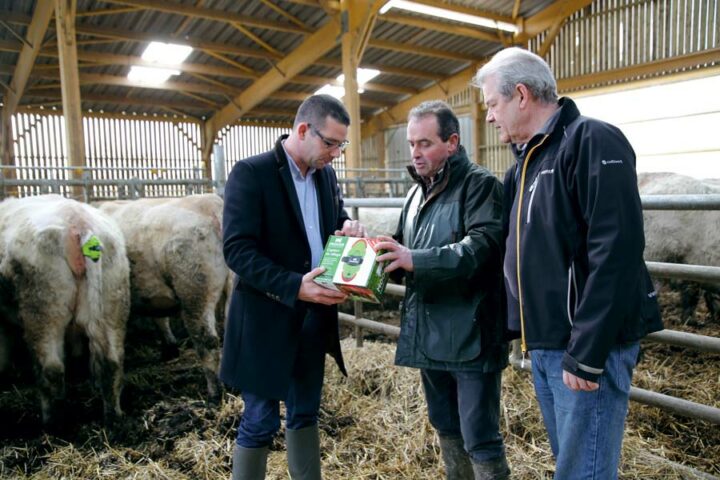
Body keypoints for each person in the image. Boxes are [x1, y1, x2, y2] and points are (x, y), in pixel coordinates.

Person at [472, 47, 663, 479]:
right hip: (548, 342)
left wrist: (588, 352)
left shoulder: (592, 140)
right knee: (574, 465)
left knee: (583, 471)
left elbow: (616, 250)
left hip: (583, 345)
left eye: (492, 104)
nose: (488, 117)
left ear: (520, 94)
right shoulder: (526, 163)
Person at [220, 94, 366, 480]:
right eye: (331, 143)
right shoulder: (252, 173)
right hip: (266, 317)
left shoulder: (326, 176)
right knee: (260, 419)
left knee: (304, 412)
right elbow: (236, 250)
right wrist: (292, 286)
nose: (336, 153)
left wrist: (348, 227)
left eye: (341, 144)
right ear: (303, 130)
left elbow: (332, 221)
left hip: (313, 317)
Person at [374, 100, 510, 480]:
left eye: (425, 143)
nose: (415, 153)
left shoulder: (481, 186)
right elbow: (404, 251)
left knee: (479, 435)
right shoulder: (415, 195)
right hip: (429, 331)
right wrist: (371, 254)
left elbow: (482, 248)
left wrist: (415, 259)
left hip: (471, 332)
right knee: (445, 425)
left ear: (452, 143)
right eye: (411, 144)